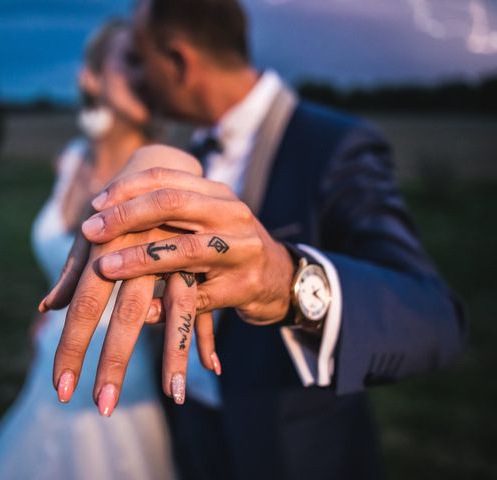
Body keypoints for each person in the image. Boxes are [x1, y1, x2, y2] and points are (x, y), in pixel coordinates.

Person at [41, 1, 467, 478]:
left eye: (142, 59)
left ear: (180, 61)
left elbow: (435, 318)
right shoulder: (183, 148)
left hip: (295, 453)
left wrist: (286, 280)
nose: (139, 80)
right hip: (186, 435)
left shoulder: (333, 144)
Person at [0, 20, 176, 480]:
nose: (147, 73)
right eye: (132, 59)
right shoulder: (73, 157)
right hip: (48, 366)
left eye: (154, 62)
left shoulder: (159, 176)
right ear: (91, 77)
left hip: (115, 377)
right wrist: (46, 311)